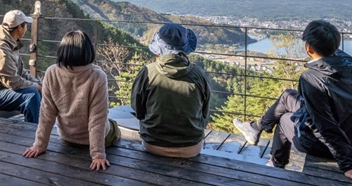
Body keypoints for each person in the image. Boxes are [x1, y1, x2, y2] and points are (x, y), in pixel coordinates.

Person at [233, 20, 352, 186]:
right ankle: (256, 127)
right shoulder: (351, 64)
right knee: (288, 95)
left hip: (327, 146)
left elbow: (324, 125)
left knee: (284, 120)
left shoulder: (311, 78)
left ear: (308, 48)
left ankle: (276, 164)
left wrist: (348, 165)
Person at [23, 30, 120, 170]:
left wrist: (39, 145)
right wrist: (98, 155)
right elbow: (97, 119)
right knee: (114, 126)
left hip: (67, 137)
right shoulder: (98, 76)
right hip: (89, 140)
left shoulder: (51, 72)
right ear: (88, 51)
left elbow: (46, 113)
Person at [131, 23, 211, 158]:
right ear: (185, 48)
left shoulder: (147, 72)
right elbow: (204, 112)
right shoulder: (198, 74)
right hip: (191, 147)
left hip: (152, 144)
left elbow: (137, 109)